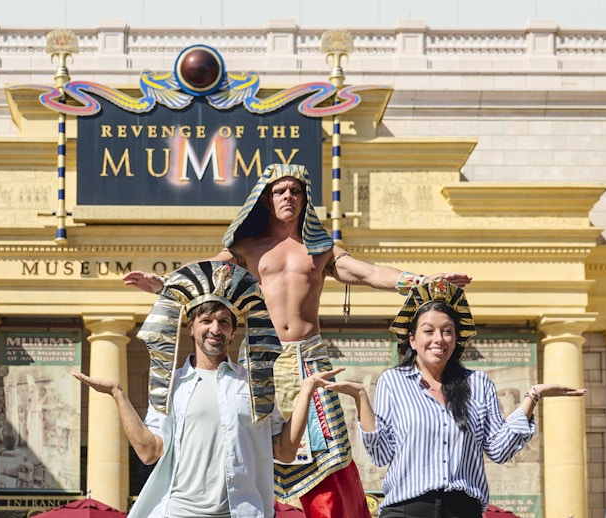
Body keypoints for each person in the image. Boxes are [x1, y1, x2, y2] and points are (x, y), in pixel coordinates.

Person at [123, 163, 472, 518]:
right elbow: (201, 276)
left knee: (328, 460)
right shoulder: (246, 248)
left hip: (311, 358)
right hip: (261, 360)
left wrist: (423, 282)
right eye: (279, 191)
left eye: (295, 191)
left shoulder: (321, 250)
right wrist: (163, 285)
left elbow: (370, 272)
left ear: (305, 199)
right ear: (265, 200)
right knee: (247, 445)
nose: (288, 197)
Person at [76, 261, 343, 518]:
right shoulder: (171, 385)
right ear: (190, 328)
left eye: (224, 322)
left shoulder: (254, 383)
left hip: (242, 512)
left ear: (233, 332)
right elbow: (149, 452)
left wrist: (307, 390)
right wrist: (118, 394)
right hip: (178, 512)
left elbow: (284, 452)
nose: (215, 329)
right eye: (206, 320)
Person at [326, 279, 587, 517]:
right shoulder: (392, 382)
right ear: (413, 340)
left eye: (447, 331)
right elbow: (381, 454)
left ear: (456, 339)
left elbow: (499, 449)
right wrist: (361, 397)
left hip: (463, 510)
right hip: (407, 510)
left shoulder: (478, 384)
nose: (438, 339)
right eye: (428, 331)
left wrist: (533, 396)